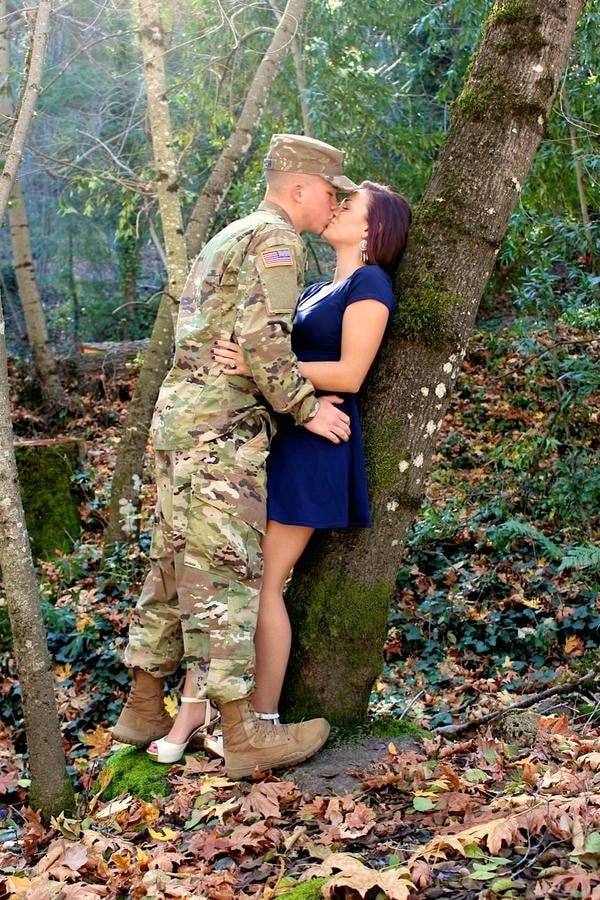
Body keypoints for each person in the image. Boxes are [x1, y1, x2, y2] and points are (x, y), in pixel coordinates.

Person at [112, 134, 358, 780]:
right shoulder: (277, 241)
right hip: (220, 433)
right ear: (300, 186)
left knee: (172, 563)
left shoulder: (233, 232)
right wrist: (309, 408)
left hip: (182, 424)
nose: (332, 205)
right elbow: (262, 340)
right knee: (225, 575)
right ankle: (244, 734)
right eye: (331, 192)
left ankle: (142, 705)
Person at [212, 180, 411, 723]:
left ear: (372, 228)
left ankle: (264, 718)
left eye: (350, 206)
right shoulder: (319, 286)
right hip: (289, 435)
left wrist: (257, 367)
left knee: (267, 581)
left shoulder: (371, 283)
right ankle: (236, 713)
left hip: (319, 443)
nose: (336, 208)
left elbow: (350, 373)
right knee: (252, 577)